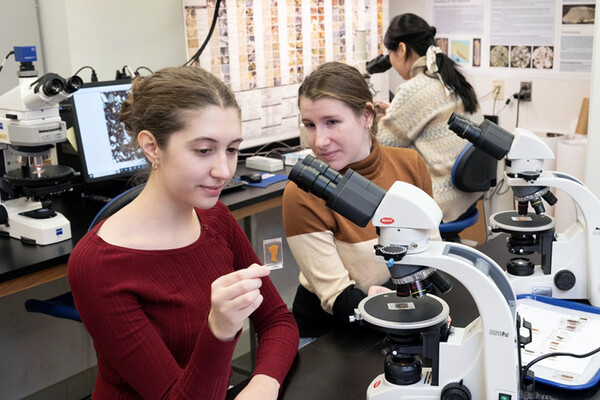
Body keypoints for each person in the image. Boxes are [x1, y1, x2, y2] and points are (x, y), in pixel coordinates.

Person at [68, 66, 298, 399]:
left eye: (231, 149)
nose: (224, 171)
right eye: (204, 150)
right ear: (151, 147)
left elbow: (277, 320)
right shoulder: (96, 264)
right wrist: (217, 330)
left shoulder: (215, 219)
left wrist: (263, 383)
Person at [282, 62, 434, 338]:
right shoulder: (302, 192)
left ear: (366, 116)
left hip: (400, 311)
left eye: (332, 122)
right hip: (331, 329)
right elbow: (337, 298)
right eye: (310, 125)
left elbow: (431, 251)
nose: (319, 141)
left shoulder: (410, 165)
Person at [376, 13, 483, 226]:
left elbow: (382, 143)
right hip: (467, 196)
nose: (390, 60)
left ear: (402, 49)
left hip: (439, 200)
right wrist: (394, 112)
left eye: (390, 53)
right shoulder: (452, 78)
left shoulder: (415, 89)